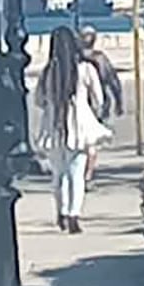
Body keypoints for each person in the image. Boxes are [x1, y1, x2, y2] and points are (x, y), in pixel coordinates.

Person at [35, 25, 109, 232]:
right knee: (76, 173)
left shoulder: (48, 73)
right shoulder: (85, 70)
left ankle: (61, 211)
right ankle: (73, 214)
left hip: (53, 126)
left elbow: (39, 100)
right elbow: (99, 99)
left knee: (58, 174)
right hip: (79, 127)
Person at [77, 26, 124, 179]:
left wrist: (118, 102)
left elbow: (112, 80)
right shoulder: (99, 58)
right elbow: (112, 80)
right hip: (98, 103)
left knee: (83, 140)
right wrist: (118, 102)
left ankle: (84, 170)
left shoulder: (74, 59)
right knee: (91, 142)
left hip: (85, 104)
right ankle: (87, 172)